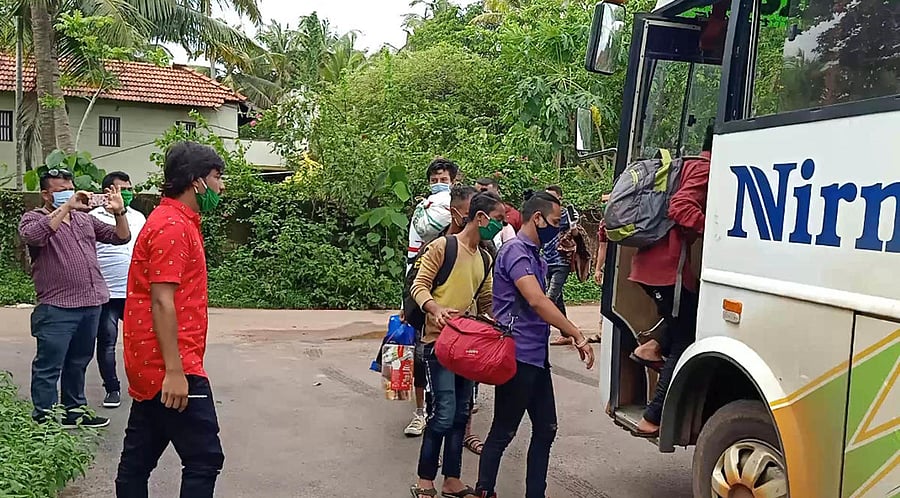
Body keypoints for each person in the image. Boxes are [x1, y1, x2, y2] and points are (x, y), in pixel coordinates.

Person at [115, 142, 226, 497]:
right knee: (204, 458)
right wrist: (176, 372)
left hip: (155, 364)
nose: (221, 186)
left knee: (136, 464)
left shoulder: (174, 220)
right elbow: (162, 301)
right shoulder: (173, 226)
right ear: (196, 181)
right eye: (217, 177)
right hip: (170, 367)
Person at [475, 192, 595, 498]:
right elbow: (537, 300)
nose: (558, 228)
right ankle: (484, 490)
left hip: (536, 358)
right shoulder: (516, 252)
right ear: (537, 219)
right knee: (503, 430)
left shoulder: (536, 256)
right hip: (517, 356)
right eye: (555, 221)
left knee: (546, 429)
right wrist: (576, 333)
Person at [409, 192, 506, 498]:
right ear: (481, 218)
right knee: (444, 412)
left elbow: (486, 300)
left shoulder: (485, 258)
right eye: (499, 219)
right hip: (438, 342)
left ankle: (452, 480)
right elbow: (419, 286)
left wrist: (504, 318)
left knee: (461, 414)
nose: (502, 225)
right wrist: (435, 309)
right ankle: (425, 481)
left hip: (467, 346)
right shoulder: (443, 247)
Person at [18, 169, 131, 427]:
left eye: (70, 189)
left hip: (91, 303)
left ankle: (75, 412)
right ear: (46, 195)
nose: (69, 194)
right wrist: (67, 207)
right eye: (61, 191)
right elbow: (34, 236)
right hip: (57, 307)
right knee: (49, 366)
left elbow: (121, 237)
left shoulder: (84, 219)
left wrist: (119, 212)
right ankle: (44, 421)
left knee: (78, 362)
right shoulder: (33, 218)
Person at [629, 129, 712, 437]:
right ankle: (652, 417)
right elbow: (680, 207)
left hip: (654, 266)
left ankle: (650, 347)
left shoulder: (688, 164)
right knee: (685, 337)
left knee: (689, 316)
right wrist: (713, 230)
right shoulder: (705, 169)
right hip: (665, 269)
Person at [405, 157, 461, 437]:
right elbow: (411, 258)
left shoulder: (463, 217)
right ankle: (420, 413)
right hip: (422, 293)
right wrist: (406, 304)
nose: (439, 184)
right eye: (434, 180)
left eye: (444, 180)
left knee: (455, 357)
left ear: (454, 182)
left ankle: (454, 412)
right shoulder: (423, 212)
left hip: (454, 298)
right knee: (419, 356)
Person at [89, 171, 146, 409]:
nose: (128, 193)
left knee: (143, 341)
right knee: (107, 342)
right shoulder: (93, 218)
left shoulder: (138, 217)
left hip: (135, 291)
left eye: (130, 189)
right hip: (106, 294)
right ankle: (112, 388)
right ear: (108, 191)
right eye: (123, 189)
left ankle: (145, 384)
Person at [542, 186, 579, 317]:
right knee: (558, 299)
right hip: (546, 260)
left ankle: (541, 325)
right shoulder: (542, 215)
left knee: (550, 297)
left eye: (552, 197)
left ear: (560, 198)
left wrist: (573, 225)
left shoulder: (567, 214)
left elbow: (576, 234)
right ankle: (565, 327)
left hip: (561, 260)